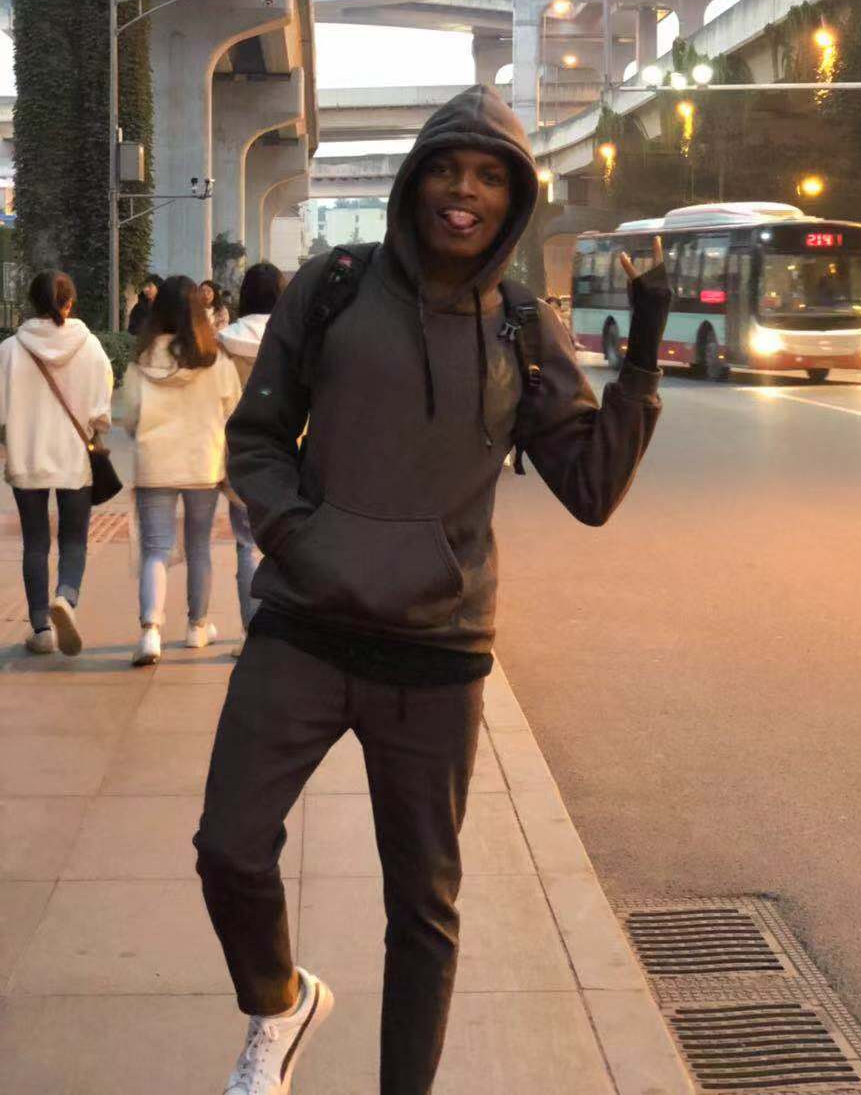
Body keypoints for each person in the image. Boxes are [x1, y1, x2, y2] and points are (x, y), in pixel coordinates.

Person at [194, 85, 671, 1095]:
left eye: (491, 177)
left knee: (422, 906)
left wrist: (640, 358)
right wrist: (300, 539)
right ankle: (279, 1004)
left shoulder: (523, 326)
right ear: (414, 181)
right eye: (448, 169)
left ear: (514, 199)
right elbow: (258, 438)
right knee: (229, 847)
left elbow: (590, 489)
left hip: (436, 651)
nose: (466, 191)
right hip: (305, 628)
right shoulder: (334, 286)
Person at [124, 274, 242, 667]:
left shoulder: (141, 362)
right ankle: (197, 626)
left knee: (155, 549)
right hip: (202, 464)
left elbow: (131, 418)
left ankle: (150, 632)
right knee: (199, 547)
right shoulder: (216, 360)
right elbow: (232, 410)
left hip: (155, 464)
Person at [0, 270, 113, 655]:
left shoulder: (10, 350)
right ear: (70, 303)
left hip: (26, 457)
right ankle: (66, 596)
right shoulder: (90, 346)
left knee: (35, 543)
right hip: (73, 458)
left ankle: (41, 629)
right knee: (73, 540)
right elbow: (101, 413)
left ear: (32, 302)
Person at [216, 262, 286, 656]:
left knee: (247, 544)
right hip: (289, 451)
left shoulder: (223, 342)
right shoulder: (290, 336)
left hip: (240, 452)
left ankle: (253, 631)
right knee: (288, 542)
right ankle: (286, 631)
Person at [126, 273, 161, 337]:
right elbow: (132, 329)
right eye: (144, 286)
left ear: (158, 287)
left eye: (150, 286)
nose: (146, 289)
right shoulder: (138, 308)